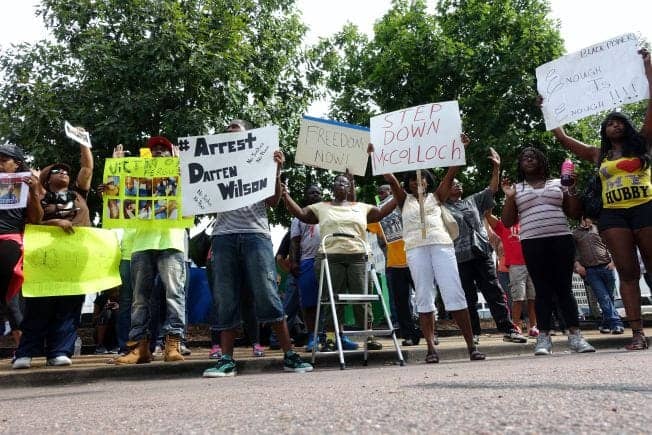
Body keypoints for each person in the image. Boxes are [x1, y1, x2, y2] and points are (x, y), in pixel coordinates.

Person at [540, 48, 651, 350]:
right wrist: (547, 109)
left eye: (619, 121)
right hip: (614, 216)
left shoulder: (643, 144)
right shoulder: (598, 154)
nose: (615, 125)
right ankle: (637, 334)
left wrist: (647, 67)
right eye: (610, 123)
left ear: (627, 126)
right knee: (627, 272)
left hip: (645, 208)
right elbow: (563, 138)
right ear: (604, 131)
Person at [202, 119, 312, 377]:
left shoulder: (261, 162)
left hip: (256, 236)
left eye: (237, 133)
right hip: (223, 237)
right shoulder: (215, 163)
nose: (232, 136)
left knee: (267, 293)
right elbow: (203, 198)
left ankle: (289, 355)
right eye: (228, 133)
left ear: (249, 139)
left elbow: (273, 201)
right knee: (225, 298)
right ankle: (226, 360)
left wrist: (276, 169)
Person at [381, 165, 486, 363]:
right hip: (416, 249)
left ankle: (471, 347)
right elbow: (391, 180)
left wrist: (458, 153)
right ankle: (430, 349)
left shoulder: (437, 197)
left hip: (442, 246)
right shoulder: (403, 200)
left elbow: (450, 175)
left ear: (428, 181)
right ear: (408, 184)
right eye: (412, 179)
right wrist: (376, 155)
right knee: (423, 296)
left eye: (421, 178)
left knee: (454, 293)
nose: (417, 181)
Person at [282, 171, 395, 351]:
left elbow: (381, 212)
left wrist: (396, 188)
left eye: (345, 182)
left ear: (350, 188)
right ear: (332, 188)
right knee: (331, 299)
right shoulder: (322, 207)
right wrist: (286, 195)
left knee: (362, 297)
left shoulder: (361, 206)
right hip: (330, 258)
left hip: (358, 257)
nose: (341, 184)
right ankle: (332, 338)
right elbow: (302, 214)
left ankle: (368, 337)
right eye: (337, 182)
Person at [501, 147, 595, 356]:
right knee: (542, 291)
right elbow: (507, 222)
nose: (529, 159)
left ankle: (575, 337)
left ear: (542, 162)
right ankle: (543, 338)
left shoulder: (558, 183)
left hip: (561, 239)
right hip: (532, 242)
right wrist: (509, 197)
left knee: (564, 289)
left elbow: (574, 212)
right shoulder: (516, 188)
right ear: (520, 165)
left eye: (533, 156)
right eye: (525, 157)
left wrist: (571, 188)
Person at [13, 140, 93, 369]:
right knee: (39, 306)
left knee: (69, 306)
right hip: (45, 260)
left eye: (66, 171)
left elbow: (87, 168)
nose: (63, 173)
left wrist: (83, 144)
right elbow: (33, 222)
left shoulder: (78, 194)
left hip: (74, 259)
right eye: (57, 171)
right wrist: (55, 222)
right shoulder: (40, 198)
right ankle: (26, 352)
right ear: (47, 180)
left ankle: (59, 351)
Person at [114, 136, 187, 365]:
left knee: (174, 294)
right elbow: (117, 197)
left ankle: (173, 343)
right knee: (139, 299)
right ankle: (140, 347)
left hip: (171, 241)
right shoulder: (137, 178)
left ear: (171, 154)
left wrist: (181, 170)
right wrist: (117, 168)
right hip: (142, 243)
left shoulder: (183, 174)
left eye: (163, 149)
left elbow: (196, 197)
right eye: (154, 149)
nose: (158, 151)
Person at [443, 147, 527, 344]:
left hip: (481, 253)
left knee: (494, 291)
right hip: (459, 257)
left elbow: (492, 190)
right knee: (468, 296)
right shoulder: (441, 207)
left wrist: (496, 168)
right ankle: (473, 333)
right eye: (453, 184)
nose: (458, 185)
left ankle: (509, 329)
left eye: (459, 183)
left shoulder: (473, 200)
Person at [0, 143, 42, 356]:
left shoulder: (27, 187)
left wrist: (33, 191)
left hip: (10, 241)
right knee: (10, 302)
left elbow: (36, 219)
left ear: (17, 164)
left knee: (9, 298)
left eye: (3, 160)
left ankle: (24, 350)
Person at [368, 184, 421, 346]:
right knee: (401, 303)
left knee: (424, 298)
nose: (381, 195)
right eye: (379, 193)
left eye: (384, 192)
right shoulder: (378, 212)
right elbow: (373, 229)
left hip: (416, 258)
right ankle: (409, 335)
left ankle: (430, 333)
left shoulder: (409, 204)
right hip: (394, 263)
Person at [485, 213, 539, 338]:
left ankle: (533, 326)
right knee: (518, 297)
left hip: (532, 263)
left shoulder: (529, 223)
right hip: (515, 265)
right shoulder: (504, 226)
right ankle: (516, 325)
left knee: (533, 297)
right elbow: (488, 215)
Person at [572, 216, 624, 334]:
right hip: (591, 270)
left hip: (607, 267)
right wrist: (578, 265)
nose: (589, 220)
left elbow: (612, 244)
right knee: (603, 297)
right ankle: (616, 324)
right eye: (587, 218)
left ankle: (606, 324)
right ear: (582, 218)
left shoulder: (600, 228)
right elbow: (574, 253)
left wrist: (613, 261)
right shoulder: (575, 234)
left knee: (609, 297)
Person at [289, 185, 323, 352]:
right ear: (306, 196)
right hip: (307, 261)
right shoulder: (298, 217)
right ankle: (313, 337)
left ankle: (336, 337)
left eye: (318, 192)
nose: (315, 194)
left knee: (332, 302)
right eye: (312, 192)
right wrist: (294, 262)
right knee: (309, 303)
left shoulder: (328, 213)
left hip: (327, 260)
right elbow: (294, 241)